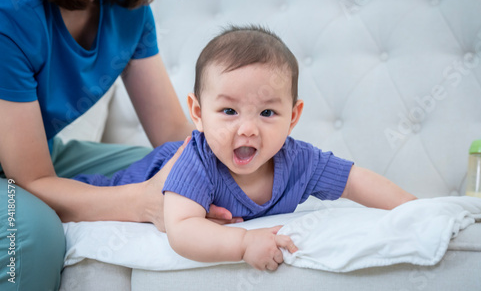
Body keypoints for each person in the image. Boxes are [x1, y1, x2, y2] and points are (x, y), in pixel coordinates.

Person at [74, 25, 418, 271]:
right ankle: (35, 190)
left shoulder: (299, 161)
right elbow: (181, 230)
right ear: (198, 113)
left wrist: (416, 209)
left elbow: (354, 181)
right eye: (228, 111)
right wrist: (243, 244)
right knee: (83, 194)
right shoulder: (199, 160)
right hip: (138, 179)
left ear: (293, 116)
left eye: (267, 112)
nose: (248, 129)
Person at [0, 0, 235, 290]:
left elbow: (172, 135)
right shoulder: (8, 9)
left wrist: (240, 164)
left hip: (38, 156)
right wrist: (143, 202)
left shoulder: (128, 8)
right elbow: (30, 179)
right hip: (24, 172)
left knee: (161, 168)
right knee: (34, 234)